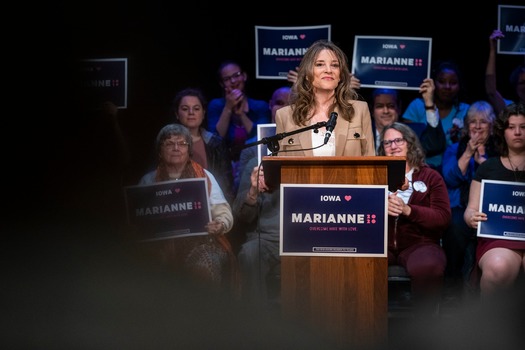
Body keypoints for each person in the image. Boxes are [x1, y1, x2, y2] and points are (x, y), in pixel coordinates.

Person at [137, 123, 238, 293]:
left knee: (206, 264)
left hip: (201, 244)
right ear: (160, 151)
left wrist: (220, 224)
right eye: (169, 143)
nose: (176, 148)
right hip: (159, 247)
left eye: (182, 143)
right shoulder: (148, 181)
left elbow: (223, 212)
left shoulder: (205, 177)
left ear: (189, 149)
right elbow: (137, 220)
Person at [378, 122, 451, 315]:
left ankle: (424, 328)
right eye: (387, 143)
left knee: (428, 266)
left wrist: (408, 210)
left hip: (420, 243)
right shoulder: (375, 175)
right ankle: (366, 326)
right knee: (359, 263)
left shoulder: (430, 177)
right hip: (381, 244)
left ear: (410, 143)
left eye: (398, 140)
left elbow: (443, 218)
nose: (393, 146)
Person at [464, 102, 525, 300]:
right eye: (511, 127)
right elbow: (470, 211)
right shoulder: (488, 168)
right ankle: (490, 326)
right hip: (498, 238)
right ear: (502, 131)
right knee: (498, 266)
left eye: (523, 127)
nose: (517, 132)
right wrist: (472, 217)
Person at [275, 39, 375, 157]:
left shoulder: (359, 110)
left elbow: (371, 162)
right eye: (320, 64)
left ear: (340, 75)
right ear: (307, 74)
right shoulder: (285, 116)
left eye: (335, 65)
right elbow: (281, 168)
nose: (328, 70)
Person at [441, 101, 499, 301]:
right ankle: (453, 286)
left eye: (483, 122)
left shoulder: (500, 151)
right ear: (466, 126)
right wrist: (468, 153)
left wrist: (483, 161)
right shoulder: (454, 149)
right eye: (472, 121)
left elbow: (499, 183)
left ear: (492, 126)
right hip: (460, 206)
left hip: (492, 209)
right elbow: (449, 178)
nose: (477, 126)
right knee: (455, 226)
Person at [207, 60, 271, 183]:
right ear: (221, 84)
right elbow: (214, 139)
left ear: (244, 76)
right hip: (224, 167)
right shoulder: (216, 106)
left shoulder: (260, 106)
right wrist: (228, 108)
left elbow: (260, 138)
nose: (233, 81)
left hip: (254, 164)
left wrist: (241, 114)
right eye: (227, 79)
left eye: (236, 75)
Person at [403, 60, 470, 173]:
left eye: (453, 82)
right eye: (441, 81)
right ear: (433, 83)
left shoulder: (465, 110)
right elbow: (408, 145)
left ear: (459, 86)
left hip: (454, 171)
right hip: (419, 170)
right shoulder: (417, 106)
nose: (447, 87)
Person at [171, 87, 235, 204]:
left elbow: (226, 183)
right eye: (185, 109)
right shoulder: (166, 144)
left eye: (196, 108)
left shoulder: (216, 143)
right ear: (177, 113)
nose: (191, 113)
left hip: (211, 206)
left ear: (203, 113)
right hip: (176, 204)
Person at [237, 86, 291, 184]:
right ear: (270, 104)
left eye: (291, 104)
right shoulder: (250, 148)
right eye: (280, 103)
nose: (285, 109)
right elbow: (242, 193)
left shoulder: (306, 143)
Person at [485, 29, 525, 115]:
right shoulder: (510, 109)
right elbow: (491, 92)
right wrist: (492, 50)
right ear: (516, 87)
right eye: (522, 82)